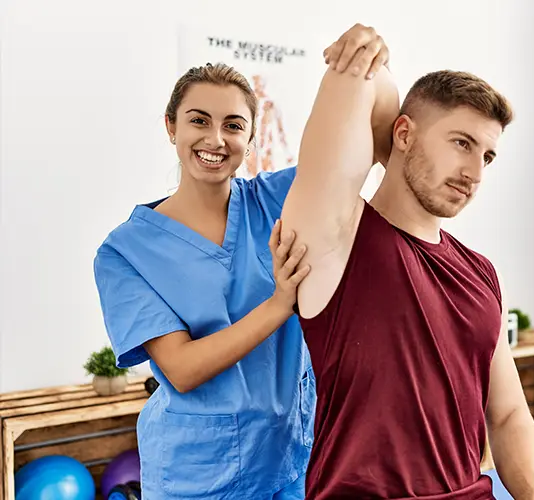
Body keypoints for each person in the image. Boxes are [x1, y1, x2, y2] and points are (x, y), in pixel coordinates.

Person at [92, 26, 391, 499]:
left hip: (293, 456)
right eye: (198, 120)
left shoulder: (279, 199)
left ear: (251, 138)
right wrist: (279, 304)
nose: (215, 139)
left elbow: (376, 141)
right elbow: (181, 369)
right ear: (171, 127)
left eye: (233, 125)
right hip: (197, 476)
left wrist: (372, 66)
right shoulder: (125, 252)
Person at [281, 24, 534, 499]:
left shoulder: (481, 272)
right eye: (461, 143)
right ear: (403, 133)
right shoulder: (338, 238)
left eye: (488, 156)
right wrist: (373, 59)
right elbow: (354, 84)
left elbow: (508, 414)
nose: (474, 172)